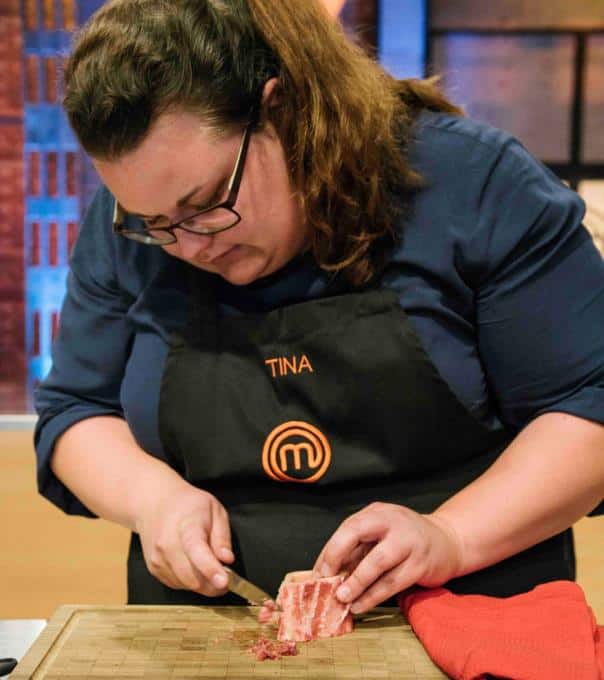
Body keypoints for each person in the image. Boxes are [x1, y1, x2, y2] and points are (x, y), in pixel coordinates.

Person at [34, 0, 604, 614]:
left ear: (281, 110)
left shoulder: (472, 184)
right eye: (154, 223)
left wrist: (452, 535)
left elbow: (588, 405)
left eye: (206, 203)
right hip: (206, 635)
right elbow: (76, 409)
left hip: (468, 615)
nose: (190, 246)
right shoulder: (132, 225)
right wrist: (151, 499)